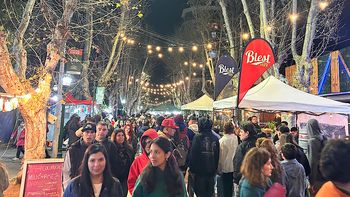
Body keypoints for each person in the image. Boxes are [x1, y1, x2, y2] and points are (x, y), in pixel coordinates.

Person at [188, 117, 220, 197]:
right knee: (209, 193)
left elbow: (193, 155)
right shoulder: (215, 138)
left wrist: (191, 169)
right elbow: (217, 155)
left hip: (199, 173)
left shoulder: (197, 137)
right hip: (211, 172)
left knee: (200, 193)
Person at [62, 123, 96, 189]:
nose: (89, 135)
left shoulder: (99, 148)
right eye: (87, 132)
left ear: (95, 134)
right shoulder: (73, 149)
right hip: (76, 186)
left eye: (92, 132)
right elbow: (66, 171)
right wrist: (67, 188)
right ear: (82, 134)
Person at [127, 129, 159, 195]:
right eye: (145, 142)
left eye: (150, 142)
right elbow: (131, 182)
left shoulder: (164, 158)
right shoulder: (138, 161)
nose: (147, 145)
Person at [111, 129, 135, 197]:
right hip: (115, 177)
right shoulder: (111, 148)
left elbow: (132, 162)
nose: (121, 137)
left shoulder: (129, 148)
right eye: (118, 135)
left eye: (122, 135)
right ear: (115, 137)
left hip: (126, 177)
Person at [306, 119, 327, 194]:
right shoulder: (323, 137)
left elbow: (313, 162)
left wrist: (311, 181)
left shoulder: (312, 141)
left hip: (316, 177)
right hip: (324, 174)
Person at [218, 121, 239, 197]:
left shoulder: (221, 141)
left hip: (225, 167)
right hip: (234, 166)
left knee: (226, 188)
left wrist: (219, 168)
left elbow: (221, 156)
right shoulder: (236, 138)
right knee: (232, 188)